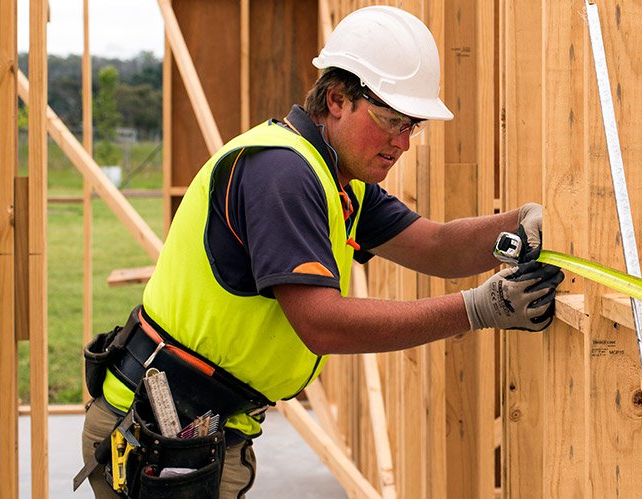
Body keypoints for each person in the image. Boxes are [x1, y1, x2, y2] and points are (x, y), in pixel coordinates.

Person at [75, 6, 563, 497]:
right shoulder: (282, 174)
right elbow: (321, 322)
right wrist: (478, 309)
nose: (402, 144)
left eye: (412, 126)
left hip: (194, 427)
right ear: (336, 100)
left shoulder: (337, 180)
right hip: (157, 429)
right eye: (391, 121)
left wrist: (520, 225)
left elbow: (433, 246)